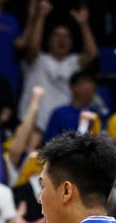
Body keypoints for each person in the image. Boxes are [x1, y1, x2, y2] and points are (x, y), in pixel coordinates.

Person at [19, 3, 98, 133]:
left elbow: (92, 54)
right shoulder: (38, 59)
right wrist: (41, 17)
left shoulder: (74, 62)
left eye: (67, 36)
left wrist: (83, 25)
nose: (62, 39)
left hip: (62, 127)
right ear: (49, 40)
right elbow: (33, 46)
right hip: (34, 127)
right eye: (57, 35)